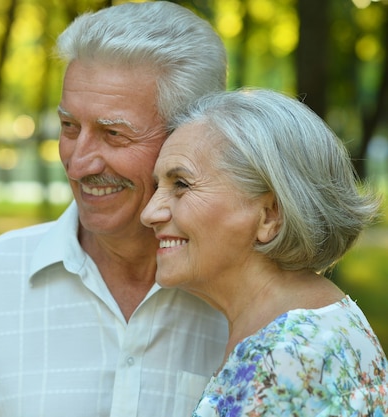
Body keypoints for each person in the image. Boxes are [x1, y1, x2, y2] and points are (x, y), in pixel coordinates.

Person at [0, 2, 230, 416]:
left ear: (190, 140)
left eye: (113, 134)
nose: (79, 163)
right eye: (69, 127)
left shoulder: (244, 299)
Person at [140, 88, 388, 416]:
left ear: (269, 215)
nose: (149, 213)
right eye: (158, 186)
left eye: (181, 185)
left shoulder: (286, 357)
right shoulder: (309, 330)